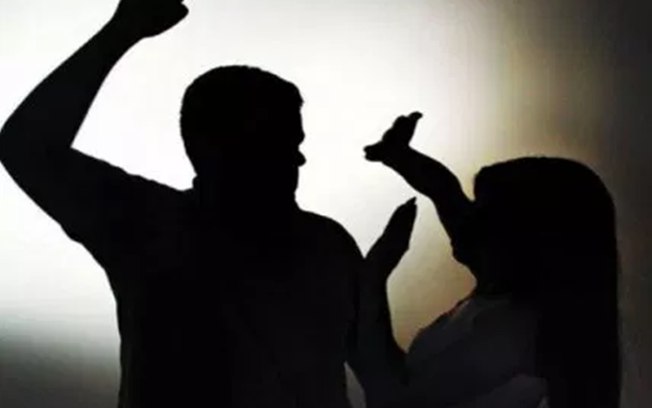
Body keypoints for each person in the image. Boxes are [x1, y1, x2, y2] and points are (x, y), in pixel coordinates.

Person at [0, 1, 372, 406]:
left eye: (294, 142)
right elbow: (25, 147)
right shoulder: (149, 224)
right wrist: (121, 32)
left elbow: (381, 369)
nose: (296, 159)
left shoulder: (330, 244)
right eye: (270, 142)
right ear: (209, 148)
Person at [352, 112, 621, 408]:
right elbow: (447, 194)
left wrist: (372, 279)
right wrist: (402, 157)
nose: (468, 218)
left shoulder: (511, 333)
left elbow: (393, 398)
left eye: (485, 211)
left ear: (526, 235)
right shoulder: (510, 295)